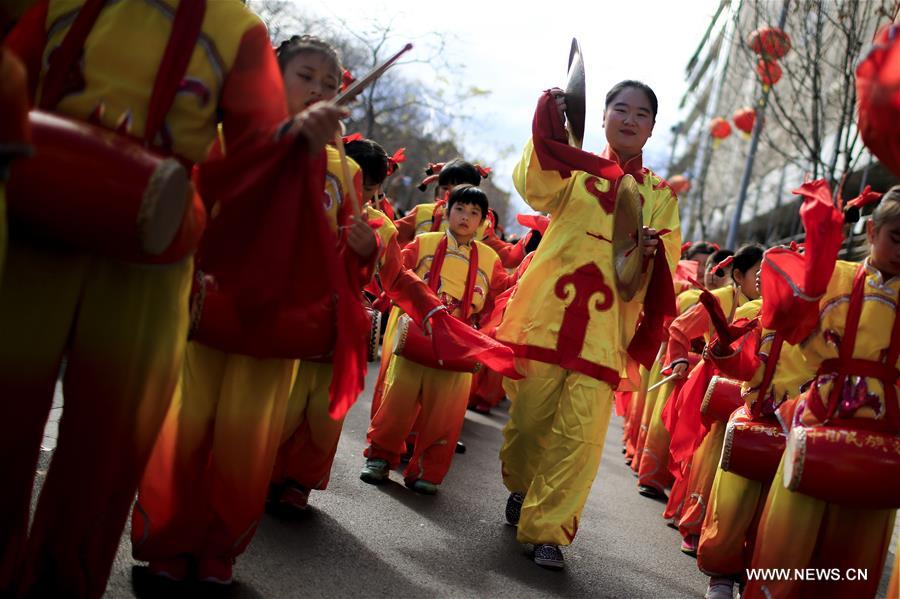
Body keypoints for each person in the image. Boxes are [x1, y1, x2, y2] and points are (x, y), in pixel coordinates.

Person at [1, 2, 344, 595]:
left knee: (104, 450)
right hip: (33, 224)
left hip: (150, 252)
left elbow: (250, 150)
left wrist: (293, 141)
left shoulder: (236, 29)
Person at [130, 31, 355, 586]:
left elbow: (339, 241)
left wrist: (361, 247)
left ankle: (218, 551)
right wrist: (283, 142)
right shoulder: (227, 136)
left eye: (330, 84)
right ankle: (165, 540)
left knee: (248, 442)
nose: (317, 90)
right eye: (305, 76)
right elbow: (205, 196)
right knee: (185, 429)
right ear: (271, 77)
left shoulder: (342, 169)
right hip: (212, 308)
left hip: (279, 326)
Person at [497, 81, 681, 569]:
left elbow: (669, 255)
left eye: (641, 114)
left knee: (579, 435)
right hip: (545, 317)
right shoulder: (574, 168)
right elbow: (535, 188)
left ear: (651, 129)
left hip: (604, 333)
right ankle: (522, 488)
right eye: (620, 108)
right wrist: (549, 127)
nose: (629, 119)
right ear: (601, 117)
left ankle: (549, 530)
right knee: (528, 421)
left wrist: (650, 251)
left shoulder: (659, 194)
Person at [742, 184, 900, 599]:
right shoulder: (837, 278)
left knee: (854, 554)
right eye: (896, 238)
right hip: (821, 415)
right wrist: (819, 246)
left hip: (886, 434)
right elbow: (786, 317)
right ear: (871, 233)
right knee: (789, 538)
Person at [362, 184, 511, 494]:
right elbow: (393, 269)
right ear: (446, 211)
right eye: (460, 209)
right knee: (398, 401)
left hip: (459, 344)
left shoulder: (489, 258)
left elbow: (504, 293)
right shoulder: (424, 243)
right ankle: (380, 458)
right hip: (418, 333)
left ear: (484, 222)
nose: (466, 218)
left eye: (474, 213)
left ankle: (428, 471)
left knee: (446, 414)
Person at [663, 244, 763, 555]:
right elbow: (678, 328)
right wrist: (678, 359)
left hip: (746, 392)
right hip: (710, 385)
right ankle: (693, 524)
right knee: (704, 453)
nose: (763, 281)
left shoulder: (768, 308)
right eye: (758, 274)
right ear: (738, 275)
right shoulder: (720, 300)